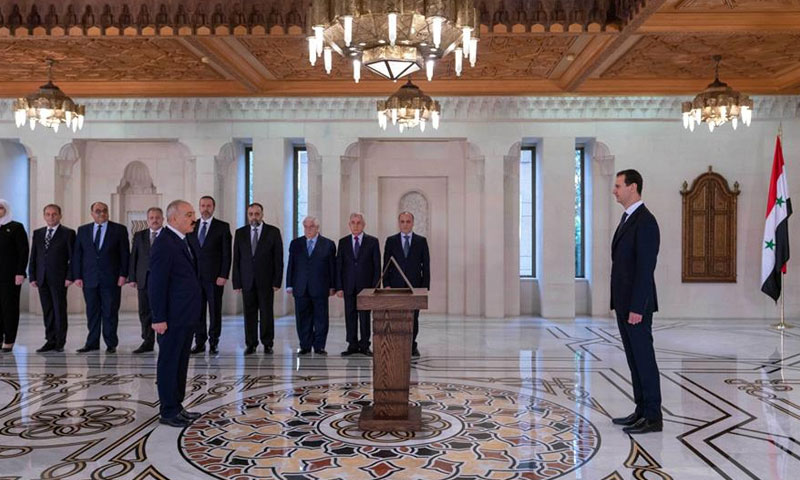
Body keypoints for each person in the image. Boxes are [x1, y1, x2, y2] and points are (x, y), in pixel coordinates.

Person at [610, 169, 662, 434]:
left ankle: (653, 416)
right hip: (624, 303)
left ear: (633, 187)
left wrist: (636, 308)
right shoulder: (628, 218)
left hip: (636, 306)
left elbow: (645, 269)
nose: (614, 190)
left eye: (618, 186)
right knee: (633, 358)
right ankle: (641, 410)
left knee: (644, 358)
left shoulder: (645, 221)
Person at [148, 200, 202, 427]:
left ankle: (177, 406)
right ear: (173, 219)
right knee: (169, 363)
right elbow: (156, 284)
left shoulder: (183, 239)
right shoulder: (164, 243)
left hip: (185, 315)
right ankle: (168, 411)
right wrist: (158, 317)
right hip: (171, 317)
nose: (194, 218)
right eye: (189, 214)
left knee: (181, 363)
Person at [72, 202, 130, 354]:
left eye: (104, 211)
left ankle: (111, 343)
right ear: (92, 213)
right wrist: (77, 276)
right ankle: (92, 343)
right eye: (98, 211)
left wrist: (124, 274)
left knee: (110, 312)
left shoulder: (119, 230)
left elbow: (125, 254)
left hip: (111, 279)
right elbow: (77, 254)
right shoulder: (83, 230)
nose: (102, 213)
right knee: (92, 312)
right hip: (89, 278)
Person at [232, 203, 283, 355]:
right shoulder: (240, 233)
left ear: (262, 214)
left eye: (257, 214)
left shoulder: (273, 232)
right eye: (251, 214)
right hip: (247, 280)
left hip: (266, 281)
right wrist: (237, 282)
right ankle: (251, 343)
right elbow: (237, 259)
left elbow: (278, 258)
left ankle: (268, 343)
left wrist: (277, 281)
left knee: (267, 313)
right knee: (249, 313)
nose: (254, 217)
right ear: (248, 215)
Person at [187, 196, 231, 355]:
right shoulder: (192, 225)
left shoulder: (222, 227)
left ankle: (214, 342)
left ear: (214, 207)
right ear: (199, 207)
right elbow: (188, 251)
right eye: (203, 205)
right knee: (197, 311)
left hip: (214, 278)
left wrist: (223, 274)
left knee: (214, 311)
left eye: (209, 206)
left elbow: (227, 254)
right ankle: (199, 342)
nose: (205, 208)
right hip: (194, 278)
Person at [29, 204, 76, 353]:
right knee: (47, 310)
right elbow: (34, 256)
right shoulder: (38, 233)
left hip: (59, 279)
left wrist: (70, 276)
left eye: (54, 214)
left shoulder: (68, 233)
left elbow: (73, 258)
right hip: (42, 278)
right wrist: (32, 276)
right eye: (48, 214)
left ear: (60, 215)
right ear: (44, 216)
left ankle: (60, 342)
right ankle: (50, 340)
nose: (51, 217)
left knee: (59, 310)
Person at [383, 211, 430, 357]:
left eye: (408, 221)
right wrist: (387, 284)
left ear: (412, 223)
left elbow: (426, 265)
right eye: (402, 221)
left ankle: (411, 345)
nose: (405, 224)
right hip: (395, 286)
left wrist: (424, 287)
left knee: (413, 317)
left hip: (414, 286)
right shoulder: (391, 241)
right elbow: (386, 264)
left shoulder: (421, 241)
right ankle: (397, 343)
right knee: (396, 316)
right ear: (399, 223)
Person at [287, 216, 336, 355]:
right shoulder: (295, 244)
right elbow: (291, 265)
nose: (308, 229)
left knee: (321, 318)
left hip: (320, 287)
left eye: (311, 226)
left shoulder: (328, 244)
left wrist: (333, 286)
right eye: (306, 227)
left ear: (317, 228)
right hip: (300, 287)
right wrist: (289, 284)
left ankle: (319, 346)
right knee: (303, 318)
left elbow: (332, 267)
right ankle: (305, 345)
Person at [336, 212, 380, 357]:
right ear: (349, 225)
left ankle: (365, 345)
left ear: (363, 225)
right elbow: (339, 266)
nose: (356, 225)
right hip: (348, 285)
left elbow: (376, 266)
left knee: (365, 317)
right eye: (353, 223)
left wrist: (375, 288)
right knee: (350, 315)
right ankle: (352, 344)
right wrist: (339, 287)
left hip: (366, 287)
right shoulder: (343, 242)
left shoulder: (372, 241)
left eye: (358, 223)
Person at [127, 207, 163, 354]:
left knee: (160, 311)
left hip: (162, 281)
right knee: (144, 311)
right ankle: (147, 341)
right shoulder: (139, 235)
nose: (154, 220)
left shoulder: (168, 235)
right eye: (152, 217)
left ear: (162, 219)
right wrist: (132, 277)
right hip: (143, 280)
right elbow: (133, 257)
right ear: (147, 220)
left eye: (157, 217)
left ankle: (163, 341)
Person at [0, 199, 29, 353]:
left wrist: (20, 272)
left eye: (1, 208)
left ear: (6, 209)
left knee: (9, 308)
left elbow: (23, 251)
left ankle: (9, 340)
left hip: (10, 276)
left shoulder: (16, 227)